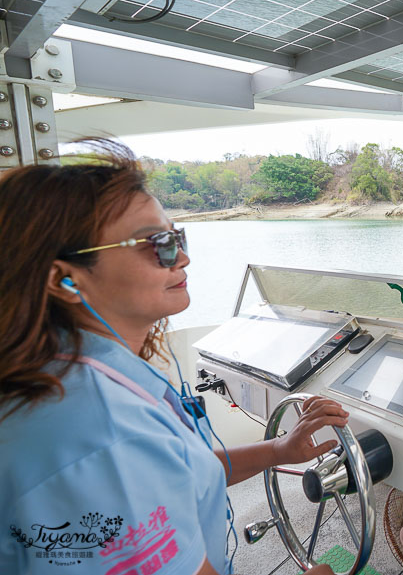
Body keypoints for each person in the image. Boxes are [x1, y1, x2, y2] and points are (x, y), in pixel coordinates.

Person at [0, 139, 344, 575]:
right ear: (64, 279)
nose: (182, 257)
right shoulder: (101, 431)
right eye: (156, 243)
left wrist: (278, 449)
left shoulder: (66, 374)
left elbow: (176, 472)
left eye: (176, 237)